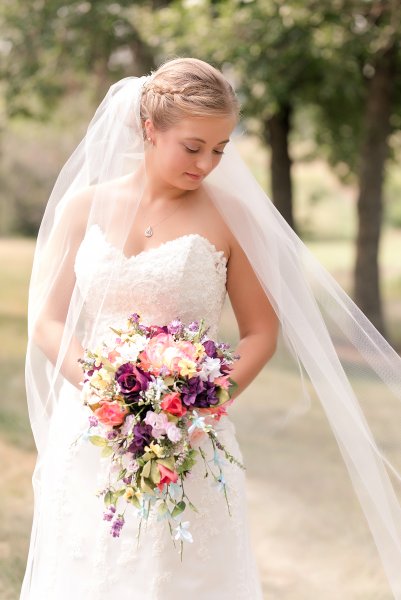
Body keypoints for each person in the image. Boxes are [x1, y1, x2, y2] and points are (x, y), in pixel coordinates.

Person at [20, 57, 401, 599]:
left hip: (191, 435)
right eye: (194, 147)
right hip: (91, 432)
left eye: (220, 150)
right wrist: (109, 396)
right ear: (149, 130)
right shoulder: (83, 209)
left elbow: (260, 334)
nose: (207, 163)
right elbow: (47, 320)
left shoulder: (232, 218)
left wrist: (198, 405)